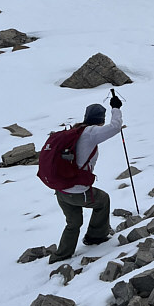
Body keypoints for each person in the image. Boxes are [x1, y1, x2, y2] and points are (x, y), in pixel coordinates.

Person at [49, 93, 124, 263]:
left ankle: (60, 257)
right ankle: (95, 237)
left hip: (61, 190)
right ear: (100, 120)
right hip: (77, 191)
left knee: (73, 223)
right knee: (102, 200)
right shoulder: (91, 132)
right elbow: (115, 127)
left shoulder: (75, 131)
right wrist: (116, 108)